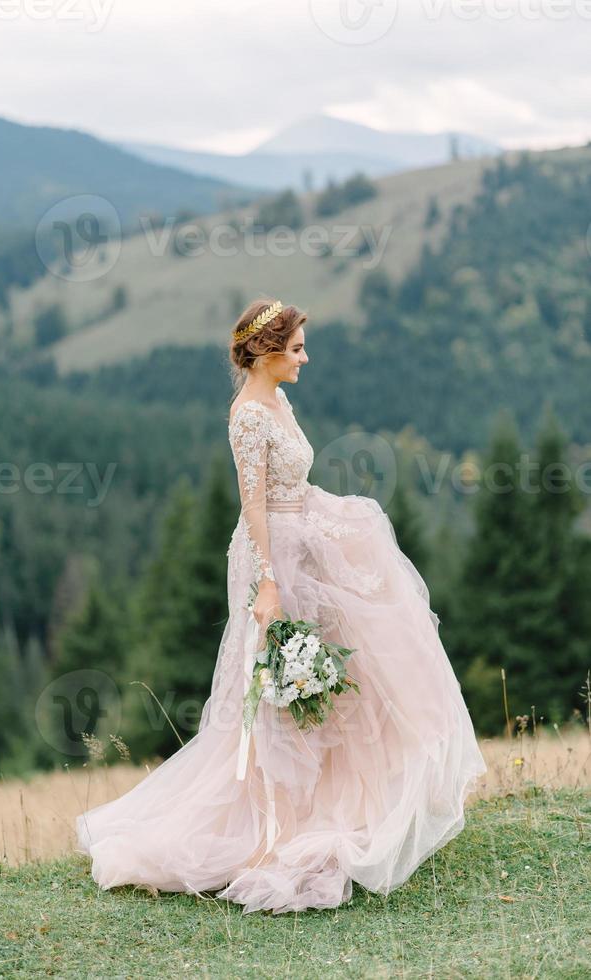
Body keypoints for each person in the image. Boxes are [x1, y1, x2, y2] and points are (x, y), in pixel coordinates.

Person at [75, 297, 487, 914]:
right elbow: (255, 505)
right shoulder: (246, 416)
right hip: (274, 558)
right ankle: (274, 828)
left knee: (338, 674)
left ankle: (337, 803)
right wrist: (269, 582)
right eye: (295, 348)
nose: (304, 357)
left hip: (305, 541)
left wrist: (338, 516)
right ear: (266, 353)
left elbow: (291, 483)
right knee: (284, 687)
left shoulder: (280, 400)